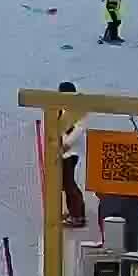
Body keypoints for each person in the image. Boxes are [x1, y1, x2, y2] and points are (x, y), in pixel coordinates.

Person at [58, 81, 87, 227]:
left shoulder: (76, 110)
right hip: (65, 152)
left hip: (71, 152)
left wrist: (66, 144)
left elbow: (79, 129)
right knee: (65, 182)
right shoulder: (66, 108)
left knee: (68, 183)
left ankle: (78, 215)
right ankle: (75, 212)